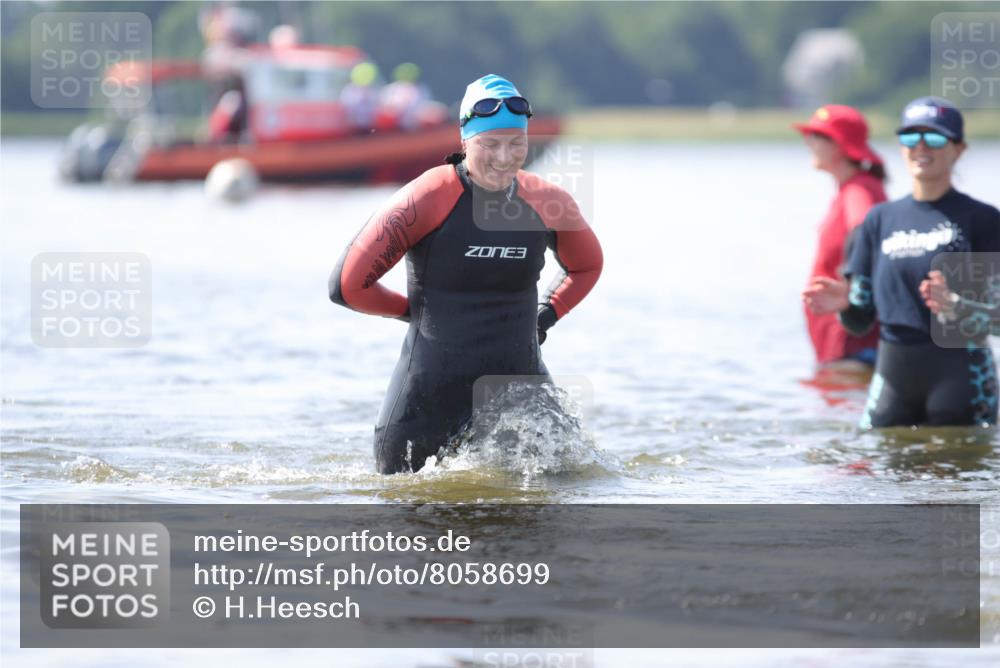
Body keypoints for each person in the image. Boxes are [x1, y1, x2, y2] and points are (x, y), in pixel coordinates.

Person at [329, 74, 603, 473]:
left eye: (517, 143)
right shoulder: (426, 198)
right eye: (490, 144)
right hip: (425, 404)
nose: (505, 156)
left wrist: (545, 315)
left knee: (565, 498)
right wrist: (412, 311)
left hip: (522, 399)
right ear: (464, 140)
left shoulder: (547, 201)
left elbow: (588, 265)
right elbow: (348, 286)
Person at [809, 96, 1000, 427]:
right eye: (910, 137)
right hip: (893, 382)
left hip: (961, 383)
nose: (921, 146)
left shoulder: (981, 220)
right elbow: (860, 321)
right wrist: (845, 305)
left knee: (959, 474)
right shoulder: (879, 221)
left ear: (958, 149)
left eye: (935, 137)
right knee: (877, 473)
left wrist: (956, 306)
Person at [797, 105, 887, 369]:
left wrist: (853, 287)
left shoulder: (859, 190)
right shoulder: (853, 187)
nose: (807, 142)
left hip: (854, 342)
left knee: (843, 404)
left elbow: (866, 233)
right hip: (846, 339)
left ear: (838, 145)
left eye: (815, 135)